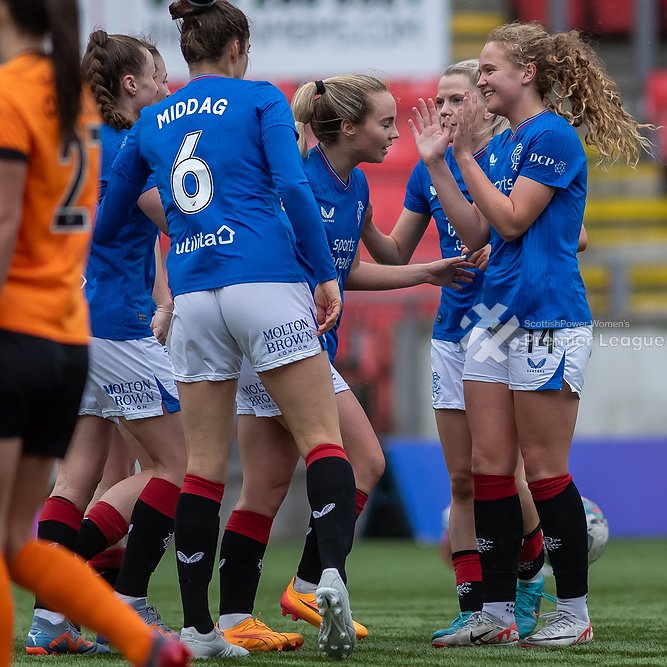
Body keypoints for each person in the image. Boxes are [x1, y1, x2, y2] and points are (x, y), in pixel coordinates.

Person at [93, 0, 378, 660]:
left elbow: (111, 222)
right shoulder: (260, 99)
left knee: (200, 467)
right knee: (321, 440)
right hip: (266, 282)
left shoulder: (153, 118)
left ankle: (200, 628)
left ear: (187, 53)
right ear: (238, 46)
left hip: (194, 296)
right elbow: (292, 187)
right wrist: (322, 274)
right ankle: (326, 575)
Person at [407, 22, 651, 647]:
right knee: (489, 468)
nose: (480, 79)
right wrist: (440, 164)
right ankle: (494, 609)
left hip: (547, 318)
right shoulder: (509, 142)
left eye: (489, 70)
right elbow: (474, 233)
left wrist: (462, 156)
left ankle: (573, 610)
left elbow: (513, 222)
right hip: (494, 320)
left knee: (543, 470)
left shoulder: (550, 135)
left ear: (528, 74)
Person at [214, 74, 472, 652]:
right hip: (284, 348)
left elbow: (346, 268)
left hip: (296, 351)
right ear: (349, 128)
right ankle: (310, 583)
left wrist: (424, 272)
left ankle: (234, 619)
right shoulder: (298, 182)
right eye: (385, 122)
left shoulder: (351, 184)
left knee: (265, 487)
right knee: (366, 460)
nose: (393, 133)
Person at [0, 1, 189, 665]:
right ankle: (82, 596)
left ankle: (51, 619)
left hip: (78, 319)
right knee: (176, 465)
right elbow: (166, 217)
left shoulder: (82, 125)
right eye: (159, 74)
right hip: (105, 326)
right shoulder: (114, 138)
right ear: (131, 85)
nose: (168, 85)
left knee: (76, 475)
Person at [363, 60, 562, 645]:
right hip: (452, 328)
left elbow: (567, 231)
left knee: (502, 468)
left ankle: (527, 583)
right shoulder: (430, 167)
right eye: (441, 100)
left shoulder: (514, 152)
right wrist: (354, 209)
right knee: (463, 478)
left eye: (456, 99)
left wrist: (515, 244)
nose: (445, 111)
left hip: (505, 323)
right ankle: (475, 604)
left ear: (482, 100)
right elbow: (397, 253)